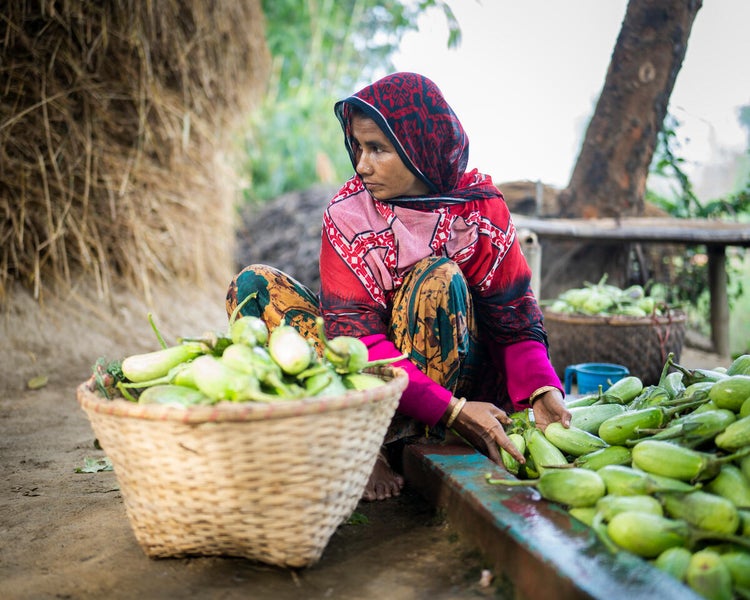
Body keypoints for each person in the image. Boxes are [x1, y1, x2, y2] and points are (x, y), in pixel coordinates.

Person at [226, 72, 571, 502]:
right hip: (377, 378)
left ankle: (424, 433)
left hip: (461, 374)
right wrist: (453, 413)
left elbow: (514, 316)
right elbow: (356, 338)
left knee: (436, 279)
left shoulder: (479, 209)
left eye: (377, 149)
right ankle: (368, 443)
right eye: (358, 147)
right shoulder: (349, 215)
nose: (361, 165)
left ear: (418, 149)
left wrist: (543, 390)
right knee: (254, 286)